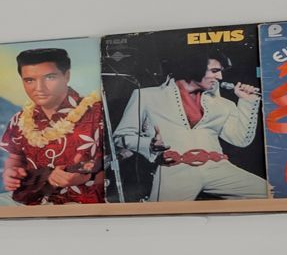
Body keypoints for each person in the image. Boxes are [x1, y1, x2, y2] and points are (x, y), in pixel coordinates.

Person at [112, 47, 267, 201]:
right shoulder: (146, 96)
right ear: (193, 67)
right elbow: (121, 136)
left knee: (270, 193)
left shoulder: (223, 104)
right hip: (173, 170)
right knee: (163, 214)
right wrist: (150, 145)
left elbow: (240, 140)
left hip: (218, 168)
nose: (220, 77)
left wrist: (247, 102)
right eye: (214, 71)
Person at [0, 46, 108, 205]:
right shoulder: (19, 119)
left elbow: (122, 162)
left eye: (50, 77)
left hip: (85, 203)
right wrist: (10, 173)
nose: (39, 88)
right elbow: (15, 158)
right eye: (29, 80)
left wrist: (88, 176)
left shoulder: (98, 112)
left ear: (66, 76)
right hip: (30, 202)